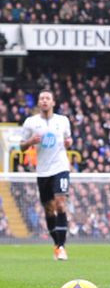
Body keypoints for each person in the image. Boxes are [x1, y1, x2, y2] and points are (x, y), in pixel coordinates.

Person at [20, 89, 72, 260]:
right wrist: (30, 142)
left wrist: (69, 143)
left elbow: (68, 141)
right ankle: (57, 245)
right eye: (41, 98)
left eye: (47, 98)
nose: (44, 101)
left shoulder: (63, 121)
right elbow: (21, 146)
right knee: (49, 210)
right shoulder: (31, 122)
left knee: (60, 203)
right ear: (38, 102)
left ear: (53, 102)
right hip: (43, 171)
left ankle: (62, 246)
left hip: (60, 167)